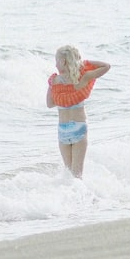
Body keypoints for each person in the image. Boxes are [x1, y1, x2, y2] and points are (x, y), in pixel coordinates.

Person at [46, 45, 110, 178]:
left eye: (57, 60)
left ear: (62, 62)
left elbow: (50, 104)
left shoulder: (54, 81)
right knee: (77, 175)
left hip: (62, 130)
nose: (55, 64)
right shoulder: (83, 78)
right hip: (79, 127)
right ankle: (86, 198)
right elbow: (106, 66)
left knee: (68, 174)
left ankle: (71, 198)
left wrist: (54, 88)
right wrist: (84, 62)